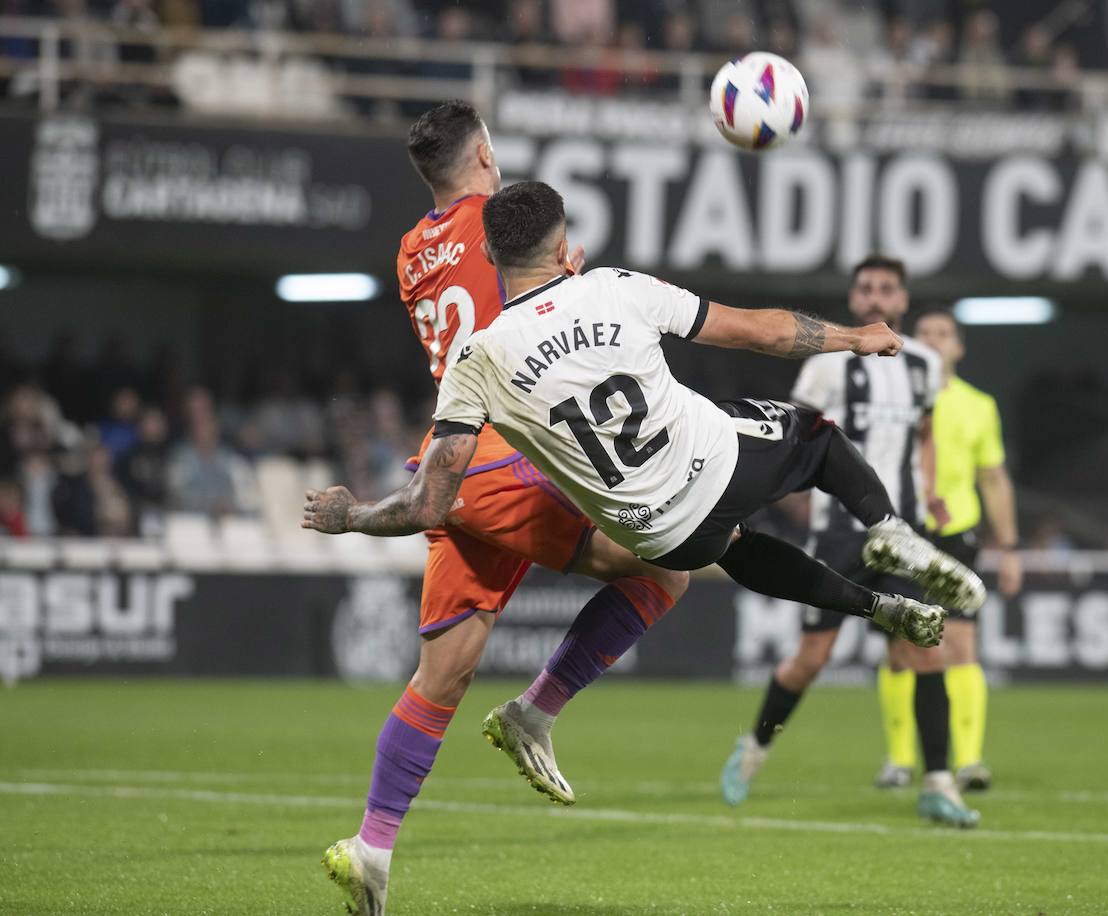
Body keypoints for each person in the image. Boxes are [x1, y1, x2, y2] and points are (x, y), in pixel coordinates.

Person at [302, 177, 986, 805]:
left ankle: (873, 605)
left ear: (486, 252)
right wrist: (853, 338)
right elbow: (762, 332)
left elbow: (428, 502)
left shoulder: (477, 360)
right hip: (716, 464)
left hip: (657, 535)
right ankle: (890, 528)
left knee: (736, 547)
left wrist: (351, 514)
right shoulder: (611, 287)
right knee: (815, 438)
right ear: (565, 244)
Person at [314, 100, 693, 916]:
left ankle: (372, 850)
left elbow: (491, 307)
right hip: (508, 451)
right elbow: (536, 306)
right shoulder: (502, 220)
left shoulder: (412, 249)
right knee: (673, 562)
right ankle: (534, 712)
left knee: (442, 674)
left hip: (452, 462)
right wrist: (570, 277)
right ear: (485, 151)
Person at [715, 256, 977, 828]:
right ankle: (755, 748)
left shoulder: (925, 364)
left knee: (922, 648)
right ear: (855, 301)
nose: (877, 297)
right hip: (838, 530)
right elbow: (799, 435)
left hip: (901, 531)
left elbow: (925, 435)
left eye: (888, 288)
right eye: (867, 289)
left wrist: (929, 491)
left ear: (902, 300)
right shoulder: (829, 363)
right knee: (813, 658)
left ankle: (938, 783)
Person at [911, 307, 1022, 793]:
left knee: (960, 643)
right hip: (900, 532)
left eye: (944, 334)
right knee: (902, 650)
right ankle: (899, 760)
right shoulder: (893, 398)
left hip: (957, 533)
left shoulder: (979, 405)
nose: (934, 341)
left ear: (958, 347)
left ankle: (970, 760)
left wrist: (1011, 547)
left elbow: (993, 478)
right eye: (925, 333)